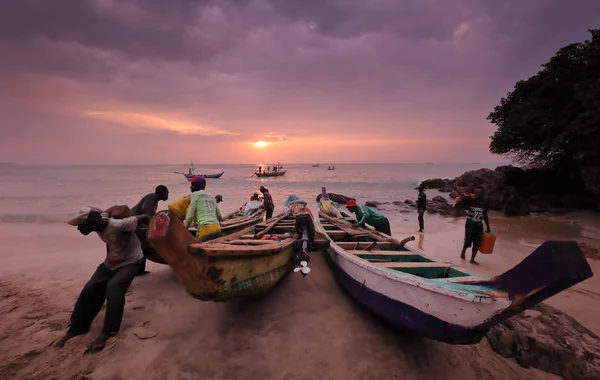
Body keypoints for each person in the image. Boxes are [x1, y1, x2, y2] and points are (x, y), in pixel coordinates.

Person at [55, 207, 149, 353]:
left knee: (114, 288)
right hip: (111, 262)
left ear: (91, 222)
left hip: (132, 261)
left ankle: (108, 331)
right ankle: (78, 327)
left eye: (81, 225)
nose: (79, 229)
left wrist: (147, 231)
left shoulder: (118, 224)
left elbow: (143, 216)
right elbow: (106, 221)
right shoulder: (101, 223)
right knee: (91, 288)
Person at [131, 185, 169, 275]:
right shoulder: (151, 197)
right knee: (139, 246)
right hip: (133, 224)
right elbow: (145, 212)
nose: (167, 195)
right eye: (167, 193)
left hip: (137, 224)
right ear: (161, 193)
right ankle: (137, 270)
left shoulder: (154, 200)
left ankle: (140, 270)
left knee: (141, 246)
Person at [454, 186, 491, 265]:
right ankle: (463, 251)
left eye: (480, 193)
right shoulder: (470, 201)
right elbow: (457, 204)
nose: (478, 194)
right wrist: (464, 196)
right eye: (476, 192)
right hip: (469, 225)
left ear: (483, 194)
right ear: (474, 193)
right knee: (467, 242)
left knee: (477, 244)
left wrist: (488, 226)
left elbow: (485, 215)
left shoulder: (484, 204)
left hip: (479, 226)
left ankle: (472, 259)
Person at [185, 177, 222, 242]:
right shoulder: (211, 196)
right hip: (217, 228)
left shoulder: (194, 195)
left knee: (197, 248)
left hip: (205, 228)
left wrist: (185, 229)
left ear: (198, 186)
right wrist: (219, 223)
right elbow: (219, 215)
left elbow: (190, 216)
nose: (191, 187)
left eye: (192, 185)